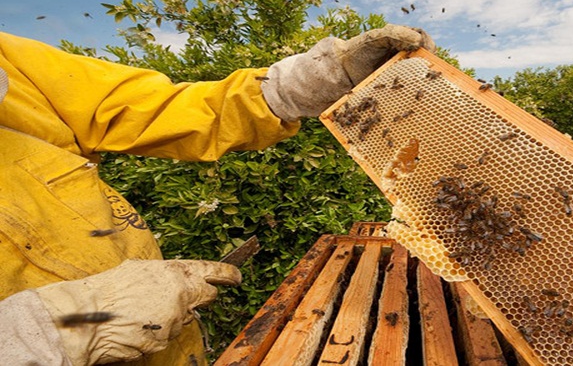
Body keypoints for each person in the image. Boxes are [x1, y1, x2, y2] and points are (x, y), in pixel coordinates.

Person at [0, 25, 434, 365]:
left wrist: (311, 81)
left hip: (163, 336)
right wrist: (43, 330)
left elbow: (162, 108)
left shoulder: (13, 63)